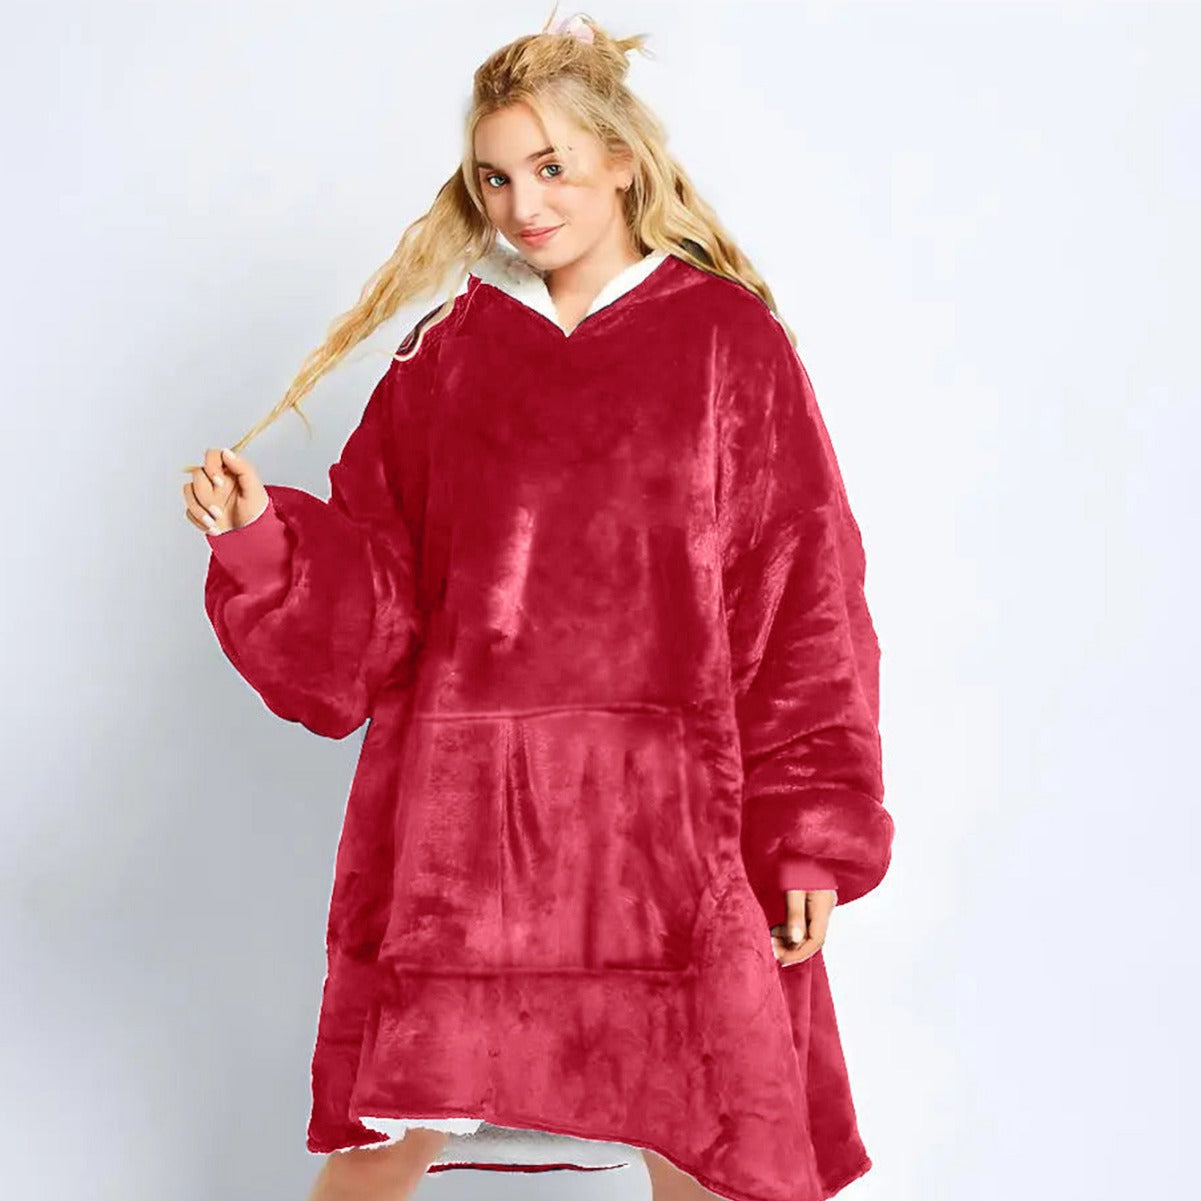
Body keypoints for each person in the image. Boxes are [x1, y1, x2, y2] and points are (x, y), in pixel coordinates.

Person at [180, 9, 894, 1201]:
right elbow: (380, 601)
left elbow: (801, 594)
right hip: (466, 842)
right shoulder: (448, 353)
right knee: (382, 1148)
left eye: (551, 167)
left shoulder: (727, 343)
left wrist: (807, 830)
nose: (524, 204)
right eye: (496, 177)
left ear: (621, 159)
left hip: (668, 838)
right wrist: (262, 542)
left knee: (709, 1137)